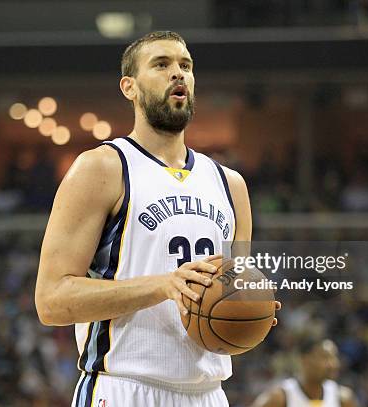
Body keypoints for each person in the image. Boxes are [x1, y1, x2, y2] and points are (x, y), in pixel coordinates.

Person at [35, 30, 281, 407]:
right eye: (161, 64)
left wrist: (251, 309)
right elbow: (51, 301)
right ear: (129, 87)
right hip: (123, 388)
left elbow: (231, 288)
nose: (178, 74)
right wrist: (164, 285)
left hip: (208, 395)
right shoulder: (101, 168)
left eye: (186, 65)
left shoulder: (231, 185)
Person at [251, 339, 357, 407]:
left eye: (334, 357)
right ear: (304, 359)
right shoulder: (280, 397)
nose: (333, 364)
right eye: (325, 357)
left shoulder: (343, 398)